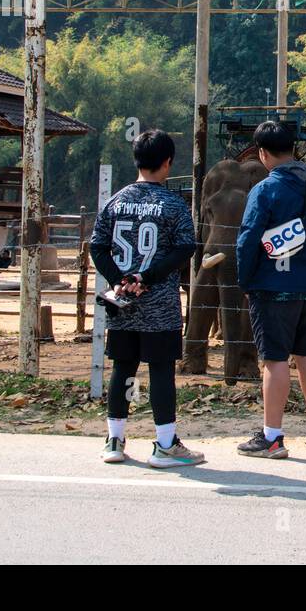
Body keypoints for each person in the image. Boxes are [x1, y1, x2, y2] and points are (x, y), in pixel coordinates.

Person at [89, 129, 204, 468]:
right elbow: (185, 247)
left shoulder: (117, 200)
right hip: (160, 305)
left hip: (122, 302)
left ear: (136, 160)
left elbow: (97, 245)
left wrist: (120, 279)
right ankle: (165, 443)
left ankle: (114, 439)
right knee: (161, 371)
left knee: (123, 368)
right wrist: (147, 277)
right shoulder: (171, 204)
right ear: (168, 163)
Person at [235, 121, 306, 459]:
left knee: (275, 361)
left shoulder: (264, 190)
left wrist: (245, 280)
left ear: (262, 153)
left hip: (272, 287)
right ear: (294, 148)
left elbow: (248, 238)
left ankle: (272, 437)